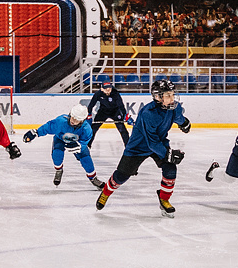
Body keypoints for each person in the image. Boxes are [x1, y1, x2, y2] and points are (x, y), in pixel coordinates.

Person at [96, 79, 190, 217]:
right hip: (138, 147)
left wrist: (185, 123)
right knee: (121, 176)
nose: (172, 98)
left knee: (170, 169)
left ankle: (164, 199)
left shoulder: (173, 107)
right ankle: (106, 191)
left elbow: (179, 117)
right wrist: (168, 153)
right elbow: (151, 143)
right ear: (158, 97)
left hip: (159, 142)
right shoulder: (148, 113)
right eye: (168, 95)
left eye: (172, 94)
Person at [23, 104, 105, 189]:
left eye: (77, 119)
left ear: (82, 121)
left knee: (86, 159)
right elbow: (48, 127)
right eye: (72, 117)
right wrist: (36, 132)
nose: (73, 121)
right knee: (57, 154)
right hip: (60, 139)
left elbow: (86, 140)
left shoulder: (86, 129)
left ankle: (93, 178)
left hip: (76, 143)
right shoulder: (61, 121)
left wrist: (80, 146)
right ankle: (59, 170)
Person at [86, 82, 129, 147]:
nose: (108, 90)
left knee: (122, 129)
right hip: (103, 112)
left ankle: (128, 146)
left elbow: (121, 105)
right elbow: (91, 104)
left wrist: (125, 114)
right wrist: (89, 114)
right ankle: (88, 145)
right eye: (106, 88)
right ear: (102, 89)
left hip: (115, 111)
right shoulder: (98, 94)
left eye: (109, 88)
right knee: (94, 128)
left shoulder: (115, 93)